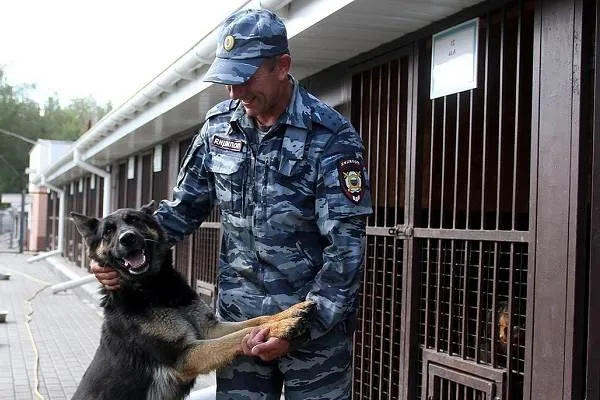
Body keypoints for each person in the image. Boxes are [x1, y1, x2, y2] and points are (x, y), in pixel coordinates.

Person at [92, 8, 372, 400]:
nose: (235, 93)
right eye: (227, 80)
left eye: (244, 78)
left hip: (313, 331)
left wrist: (300, 328)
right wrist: (120, 255)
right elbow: (183, 210)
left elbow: (346, 247)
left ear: (282, 65)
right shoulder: (219, 126)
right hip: (239, 323)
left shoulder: (330, 136)